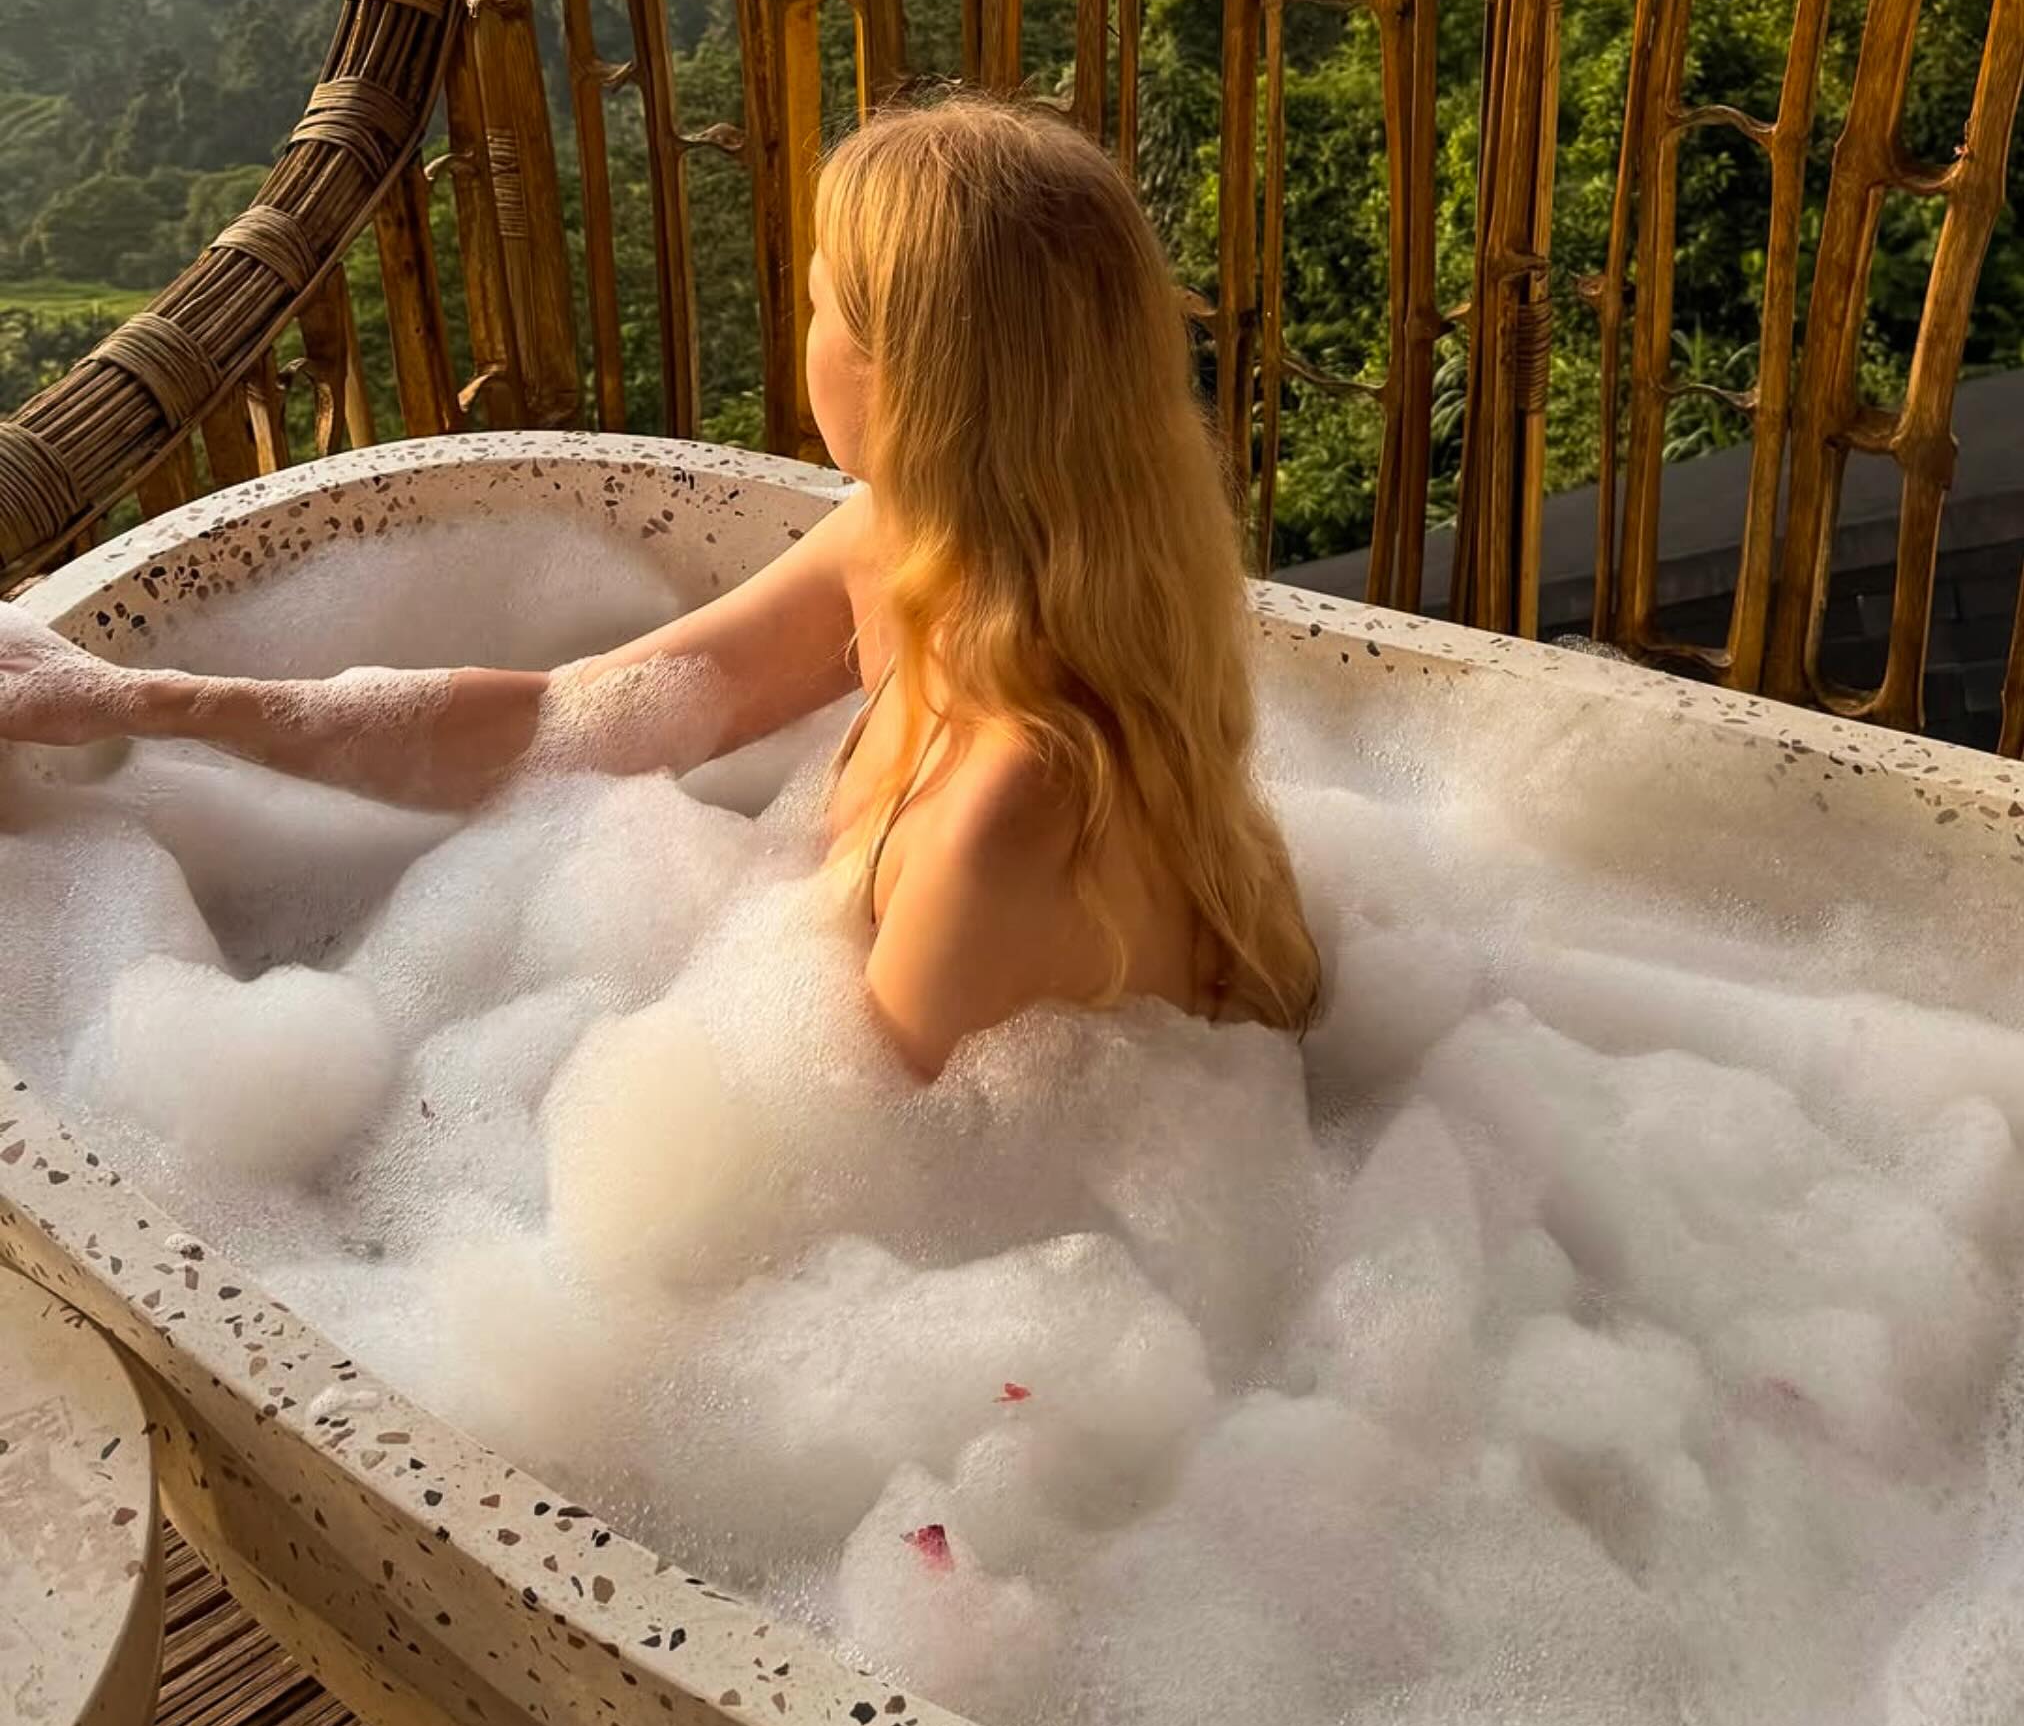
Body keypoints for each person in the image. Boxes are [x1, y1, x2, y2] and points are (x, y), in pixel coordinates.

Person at [0, 96, 1320, 1078]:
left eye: (816, 302)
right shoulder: (916, 550)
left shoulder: (1015, 810)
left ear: (912, 386)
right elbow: (574, 723)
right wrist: (136, 695)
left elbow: (889, 1203)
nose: (798, 329)